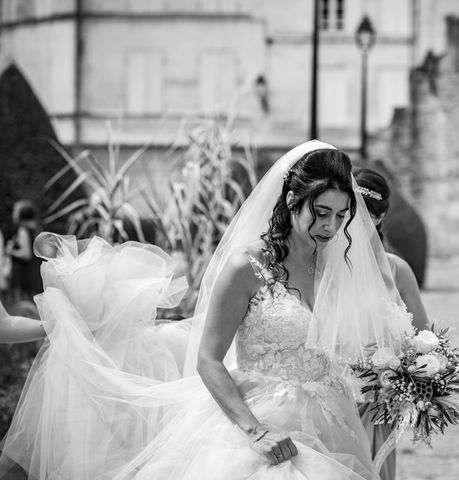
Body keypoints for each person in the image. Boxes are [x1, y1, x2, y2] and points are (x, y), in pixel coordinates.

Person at [0, 141, 414, 480]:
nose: (329, 226)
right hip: (258, 419)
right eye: (320, 213)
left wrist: (399, 371)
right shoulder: (248, 265)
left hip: (334, 424)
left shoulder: (340, 266)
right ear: (292, 200)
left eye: (341, 216)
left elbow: (356, 342)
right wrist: (256, 432)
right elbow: (208, 358)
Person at [354, 167, 430, 480]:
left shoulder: (397, 271)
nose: (357, 223)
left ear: (380, 217)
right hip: (329, 399)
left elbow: (426, 337)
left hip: (377, 402)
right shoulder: (316, 268)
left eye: (366, 215)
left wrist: (408, 378)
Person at [5, 200, 43, 300]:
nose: (13, 214)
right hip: (36, 270)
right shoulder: (37, 228)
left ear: (21, 214)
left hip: (26, 273)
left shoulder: (23, 230)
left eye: (15, 211)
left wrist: (10, 251)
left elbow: (26, 254)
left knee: (26, 302)